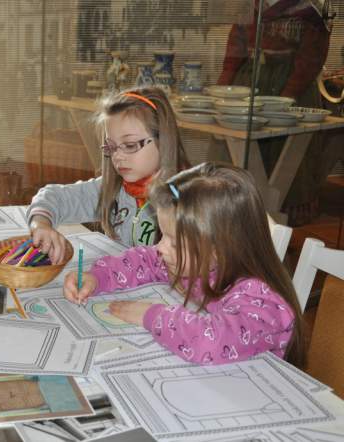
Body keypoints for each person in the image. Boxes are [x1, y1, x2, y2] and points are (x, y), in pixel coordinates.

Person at [63, 163, 305, 366]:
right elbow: (145, 260)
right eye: (163, 235)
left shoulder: (260, 300)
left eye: (174, 243)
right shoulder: (197, 263)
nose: (160, 248)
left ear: (220, 247)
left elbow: (210, 341)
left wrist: (152, 315)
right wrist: (98, 277)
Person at [27, 87, 189, 264]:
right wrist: (40, 223)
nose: (117, 156)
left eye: (129, 145)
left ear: (163, 140)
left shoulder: (190, 201)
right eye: (111, 147)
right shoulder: (114, 189)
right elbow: (54, 196)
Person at [215, 0, 332, 225]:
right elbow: (234, 53)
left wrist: (287, 96)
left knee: (284, 154)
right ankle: (233, 210)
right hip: (249, 83)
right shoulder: (251, 7)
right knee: (237, 152)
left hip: (287, 86)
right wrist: (222, 91)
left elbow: (311, 57)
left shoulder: (309, 10)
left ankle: (274, 221)